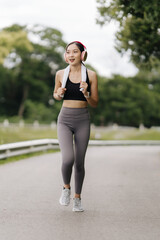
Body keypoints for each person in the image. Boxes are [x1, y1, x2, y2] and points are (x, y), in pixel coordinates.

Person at [53, 41, 98, 212]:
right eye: (68, 52)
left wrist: (86, 93)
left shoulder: (91, 75)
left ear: (83, 54)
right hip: (64, 119)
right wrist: (58, 94)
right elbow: (56, 95)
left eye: (75, 52)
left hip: (82, 120)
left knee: (79, 162)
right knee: (67, 159)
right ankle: (66, 188)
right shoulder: (59, 74)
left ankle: (77, 198)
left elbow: (94, 102)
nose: (71, 55)